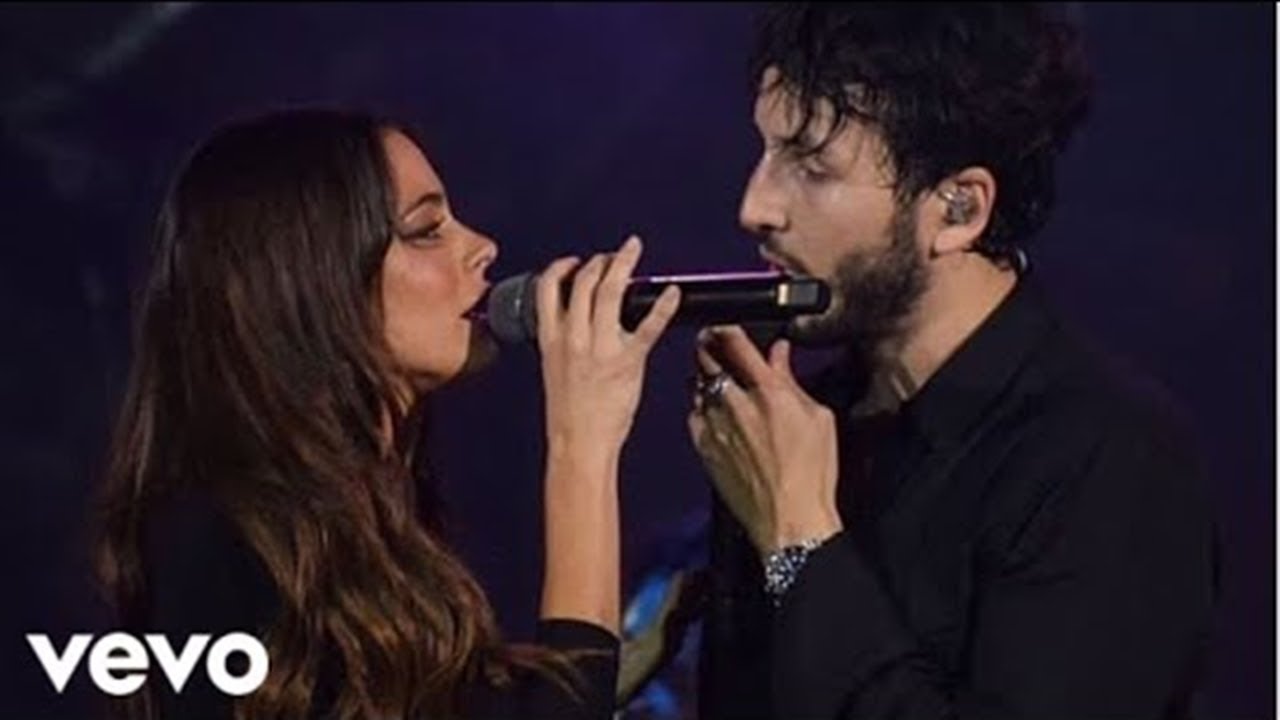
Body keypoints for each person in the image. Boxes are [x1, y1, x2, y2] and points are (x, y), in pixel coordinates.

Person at [688, 4, 1218, 719]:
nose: (755, 206)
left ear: (959, 210)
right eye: (766, 150)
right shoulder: (805, 420)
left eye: (812, 167)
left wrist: (798, 539)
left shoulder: (1109, 456)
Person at [93, 108, 680, 719]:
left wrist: (604, 667)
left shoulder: (374, 531)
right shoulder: (222, 542)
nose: (482, 248)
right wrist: (583, 447)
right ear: (314, 283)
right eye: (426, 230)